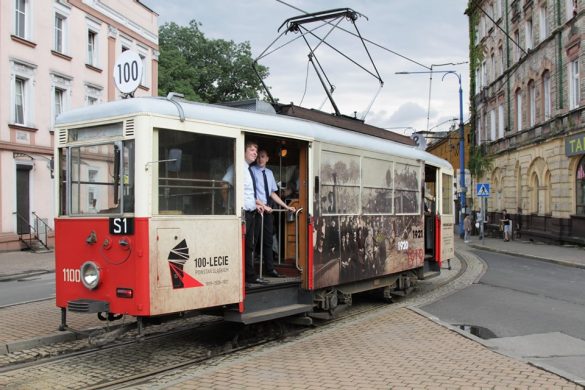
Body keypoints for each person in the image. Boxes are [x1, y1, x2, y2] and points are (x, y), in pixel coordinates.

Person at [223, 141, 267, 286]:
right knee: (241, 246)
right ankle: (241, 278)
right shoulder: (237, 167)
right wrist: (228, 206)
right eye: (252, 150)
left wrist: (256, 204)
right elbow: (224, 185)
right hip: (241, 215)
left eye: (256, 151)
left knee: (249, 246)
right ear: (244, 151)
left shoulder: (247, 169)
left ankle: (249, 276)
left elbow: (246, 193)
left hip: (251, 212)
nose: (255, 153)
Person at [252, 149, 296, 277]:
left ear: (267, 159)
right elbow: (250, 193)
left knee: (268, 241)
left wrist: (285, 206)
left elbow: (272, 193)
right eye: (258, 157)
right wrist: (262, 205)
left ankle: (270, 270)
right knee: (254, 242)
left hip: (267, 211)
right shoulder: (252, 171)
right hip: (256, 209)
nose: (260, 159)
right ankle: (251, 273)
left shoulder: (269, 173)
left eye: (263, 157)